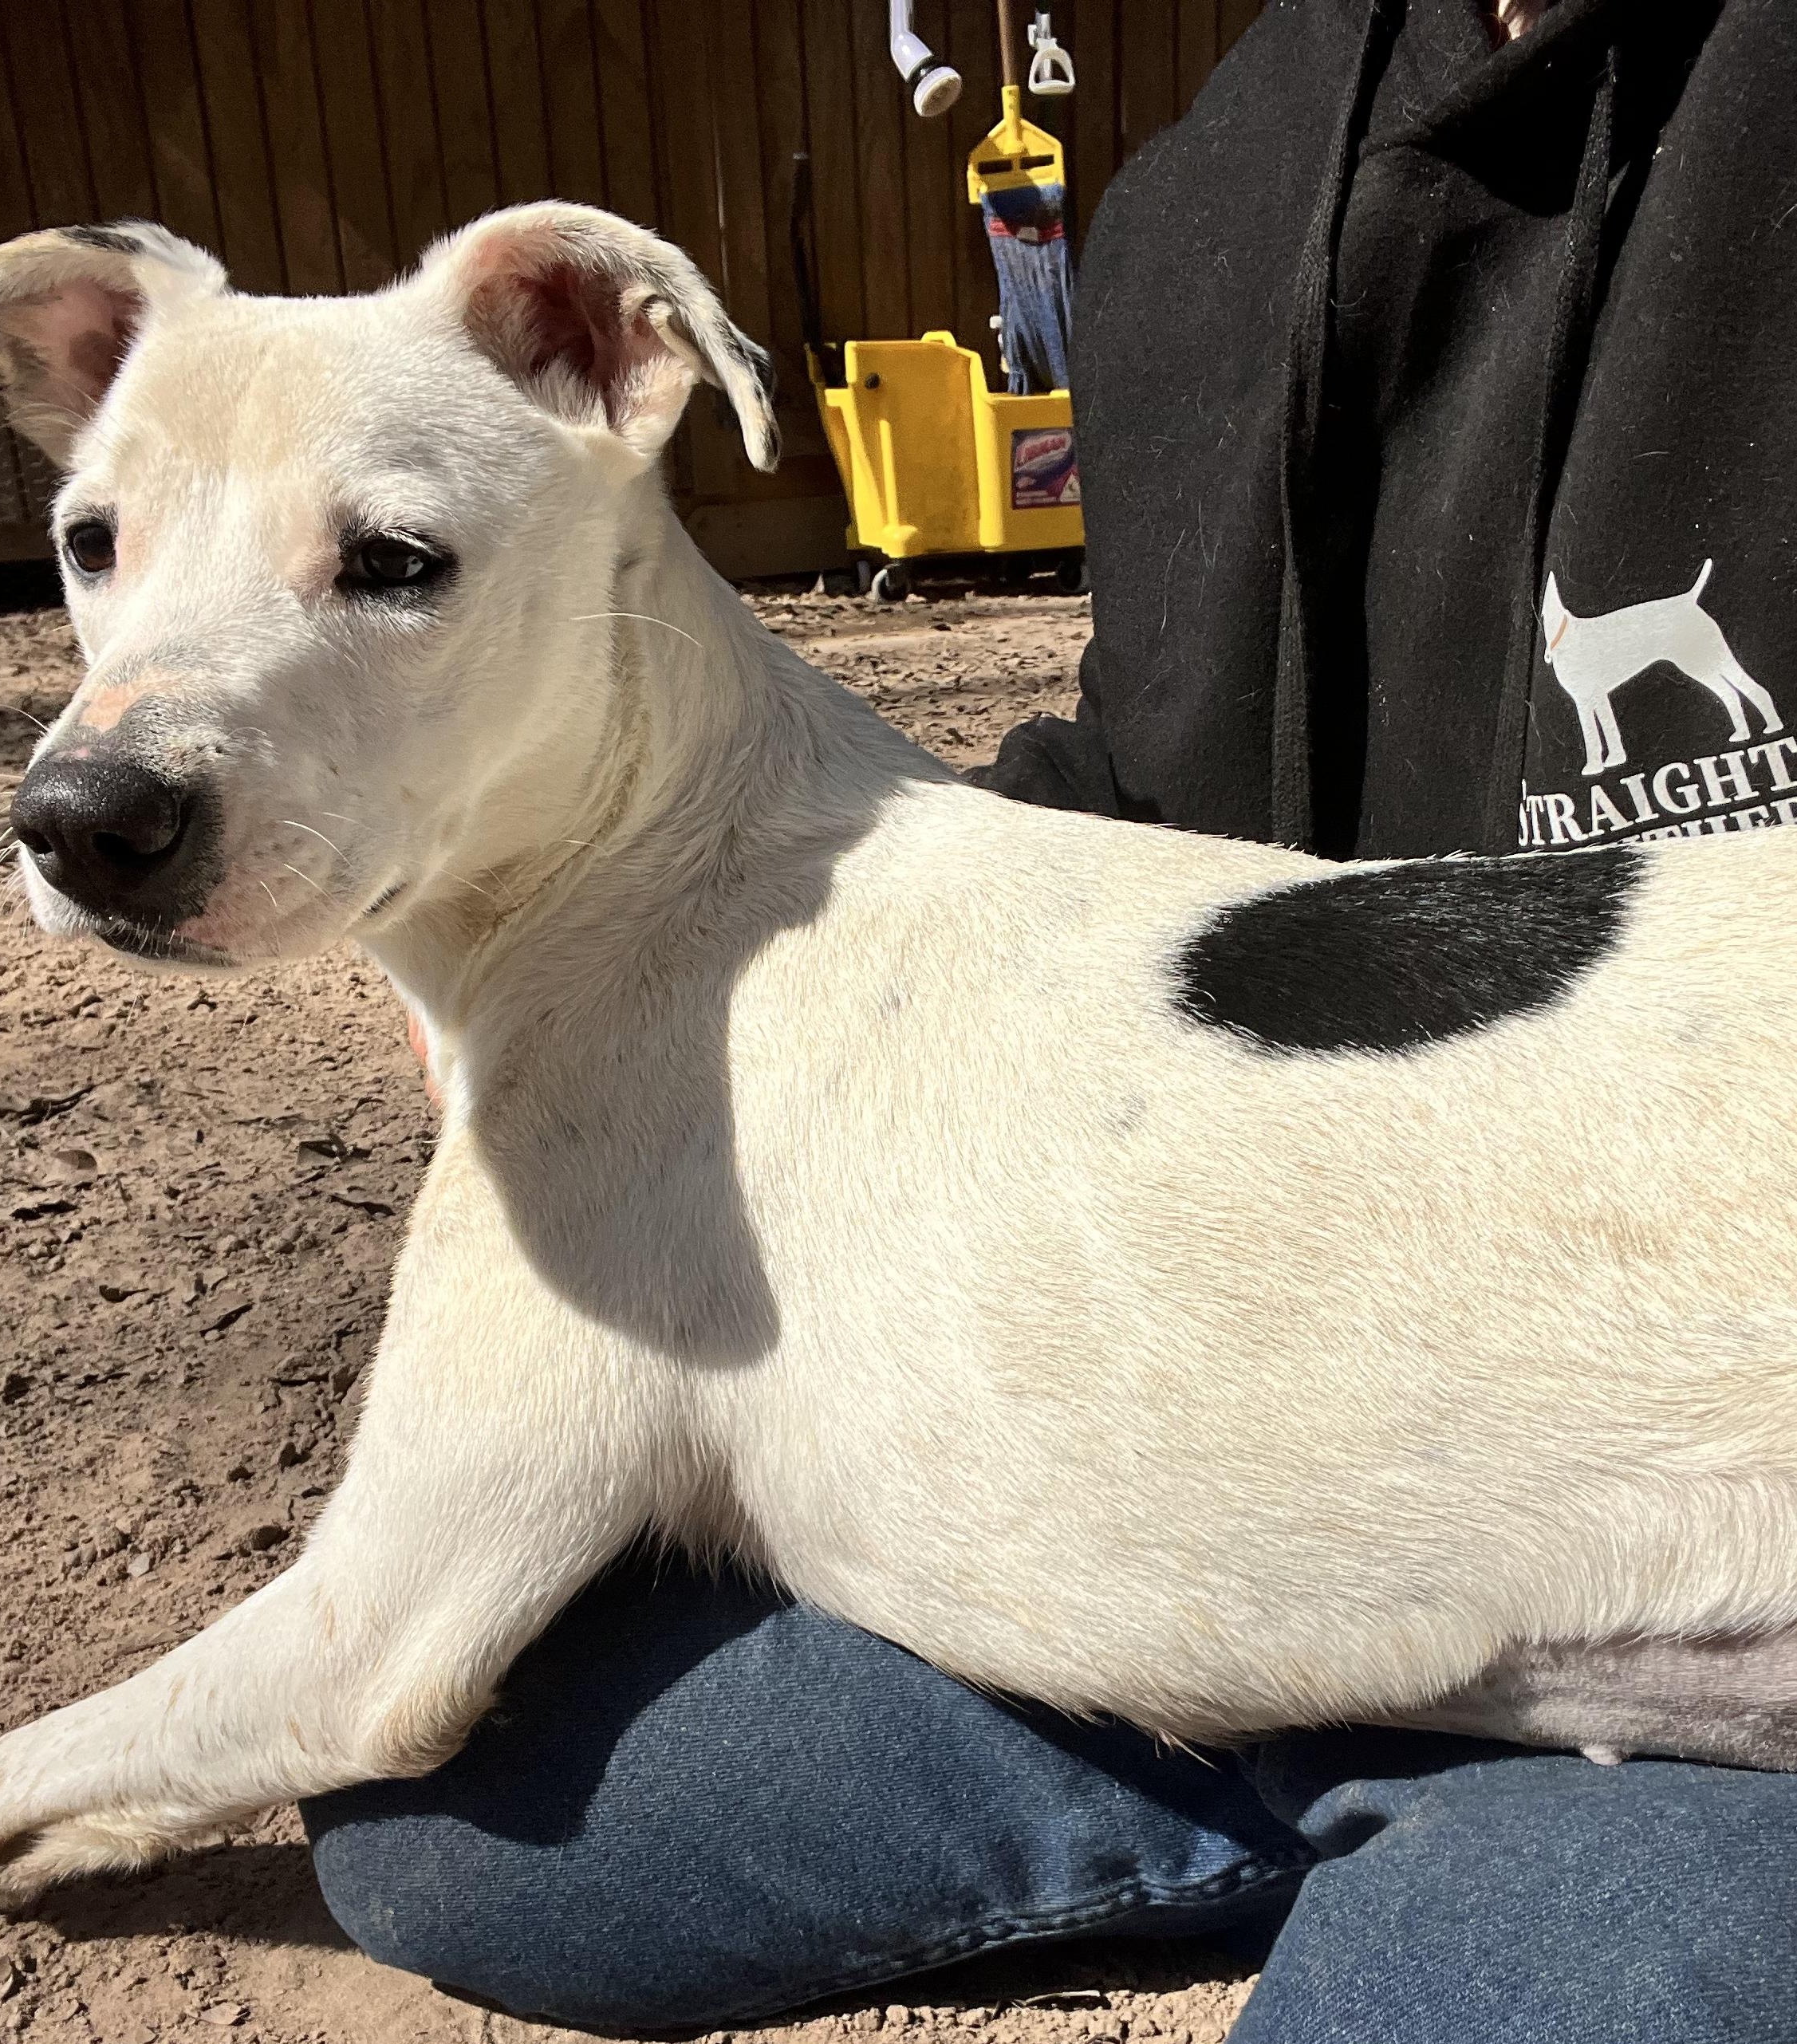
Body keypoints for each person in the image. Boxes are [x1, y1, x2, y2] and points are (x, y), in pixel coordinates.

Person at [304, 1, 1797, 2036]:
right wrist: (669, 974)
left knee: (1500, 1989)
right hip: (1249, 1423)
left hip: (1707, 1481)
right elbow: (1144, 777)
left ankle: (1469, 1811)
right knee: (484, 1828)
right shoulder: (1221, 167)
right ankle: (1324, 1750)